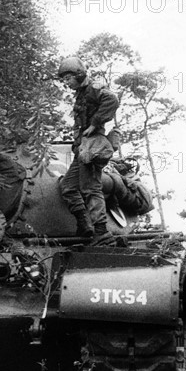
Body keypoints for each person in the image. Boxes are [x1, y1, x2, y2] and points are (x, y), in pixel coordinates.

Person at [57, 56, 119, 245]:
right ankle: (86, 226)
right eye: (64, 80)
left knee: (91, 189)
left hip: (91, 148)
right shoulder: (82, 94)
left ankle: (101, 233)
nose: (66, 83)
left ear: (78, 74)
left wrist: (95, 123)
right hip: (82, 149)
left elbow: (112, 99)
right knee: (68, 187)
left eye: (68, 78)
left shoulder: (93, 89)